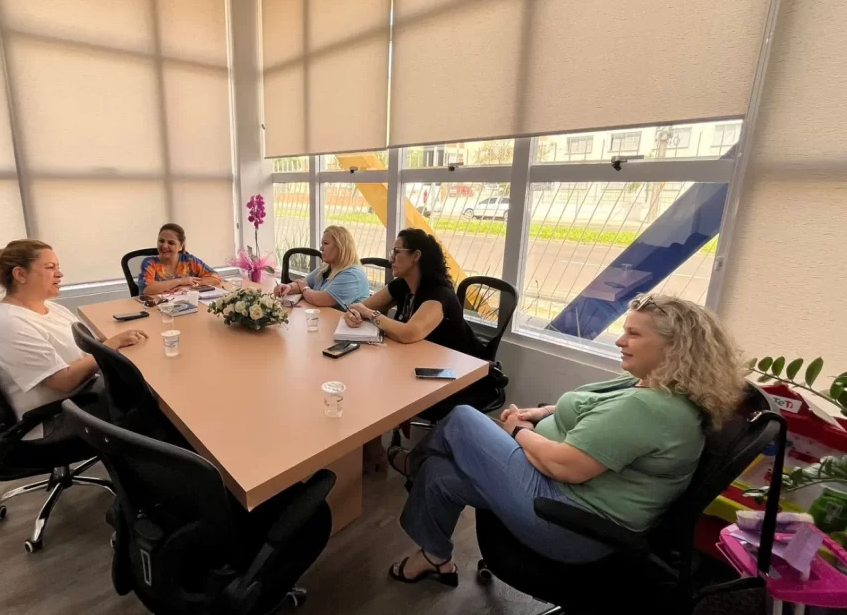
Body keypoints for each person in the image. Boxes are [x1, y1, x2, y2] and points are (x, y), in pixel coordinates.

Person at [384, 293, 745, 586]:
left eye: (634, 335)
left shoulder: (652, 407)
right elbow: (592, 405)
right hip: (555, 490)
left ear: (674, 348)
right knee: (441, 472)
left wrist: (519, 431)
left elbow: (564, 466)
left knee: (462, 420)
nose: (620, 341)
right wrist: (539, 413)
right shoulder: (651, 381)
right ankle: (434, 556)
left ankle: (410, 463)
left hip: (569, 521)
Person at [0, 239, 147, 439]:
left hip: (84, 394)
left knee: (144, 387)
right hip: (56, 417)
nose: (59, 274)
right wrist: (110, 346)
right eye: (50, 267)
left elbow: (84, 347)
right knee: (151, 408)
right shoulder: (9, 325)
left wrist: (109, 344)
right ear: (20, 274)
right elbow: (64, 381)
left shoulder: (49, 307)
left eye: (58, 267)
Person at [342, 228, 475, 354]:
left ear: (416, 256)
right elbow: (358, 308)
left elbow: (409, 333)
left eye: (397, 252)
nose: (391, 259)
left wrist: (369, 314)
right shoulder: (402, 284)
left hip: (454, 365)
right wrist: (352, 315)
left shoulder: (439, 294)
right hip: (414, 356)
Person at [273, 226, 370, 311]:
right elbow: (304, 282)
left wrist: (304, 288)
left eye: (326, 243)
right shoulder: (326, 266)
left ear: (341, 247)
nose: (321, 248)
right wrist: (289, 287)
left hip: (343, 324)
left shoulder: (352, 275)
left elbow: (320, 299)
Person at [139, 223, 222, 296]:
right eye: (161, 241)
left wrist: (188, 285)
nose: (164, 246)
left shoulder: (189, 260)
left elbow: (215, 278)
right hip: (157, 306)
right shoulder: (149, 263)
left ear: (180, 246)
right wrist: (180, 281)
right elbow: (147, 289)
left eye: (171, 243)